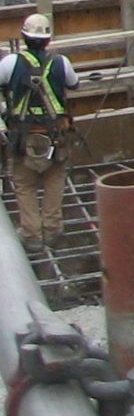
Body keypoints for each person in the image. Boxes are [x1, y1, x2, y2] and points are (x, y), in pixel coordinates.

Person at [1, 13, 79, 244]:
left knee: (25, 185)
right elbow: (73, 84)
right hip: (55, 136)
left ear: (24, 37)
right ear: (47, 40)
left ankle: (32, 235)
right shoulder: (60, 62)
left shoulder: (10, 62)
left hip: (22, 137)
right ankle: (53, 231)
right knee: (54, 181)